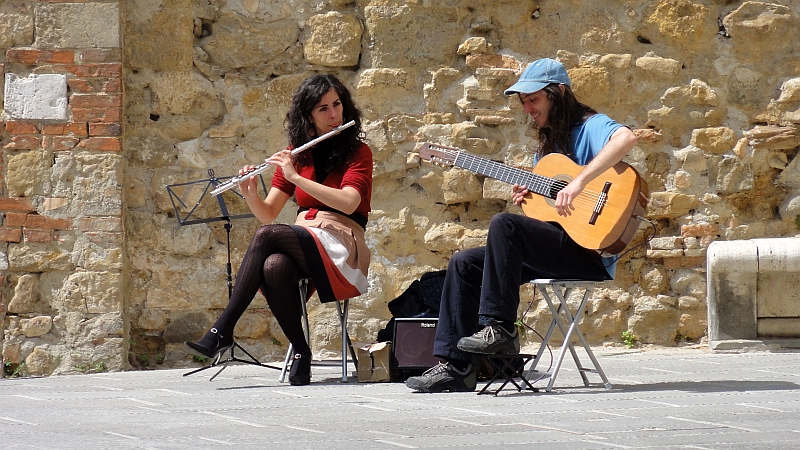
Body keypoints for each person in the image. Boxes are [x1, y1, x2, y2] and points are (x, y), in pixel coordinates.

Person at [406, 58, 638, 393]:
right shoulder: (547, 147)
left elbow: (626, 139)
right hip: (559, 243)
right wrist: (529, 195)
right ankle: (455, 367)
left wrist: (579, 182)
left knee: (504, 225)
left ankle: (500, 328)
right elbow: (550, 214)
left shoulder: (591, 125)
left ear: (558, 93)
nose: (527, 109)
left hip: (590, 250)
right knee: (464, 263)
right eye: (524, 102)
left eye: (534, 100)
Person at [186, 74, 372, 386]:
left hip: (342, 242)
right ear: (308, 117)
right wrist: (249, 192)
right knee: (274, 265)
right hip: (307, 240)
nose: (333, 114)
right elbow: (268, 214)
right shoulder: (297, 153)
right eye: (323, 109)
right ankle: (301, 352)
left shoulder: (358, 151)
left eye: (337, 105)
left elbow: (350, 202)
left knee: (267, 237)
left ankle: (223, 328)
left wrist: (296, 177)